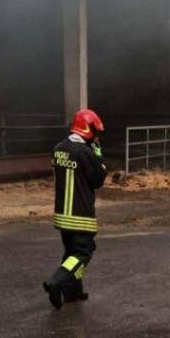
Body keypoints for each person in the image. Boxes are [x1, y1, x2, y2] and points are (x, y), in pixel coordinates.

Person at [44, 108, 108, 310]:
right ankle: (56, 280)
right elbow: (98, 180)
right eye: (94, 131)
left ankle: (72, 292)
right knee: (83, 253)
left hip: (62, 214)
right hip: (80, 214)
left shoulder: (59, 148)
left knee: (71, 252)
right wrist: (98, 155)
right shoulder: (85, 152)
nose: (96, 136)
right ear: (87, 128)